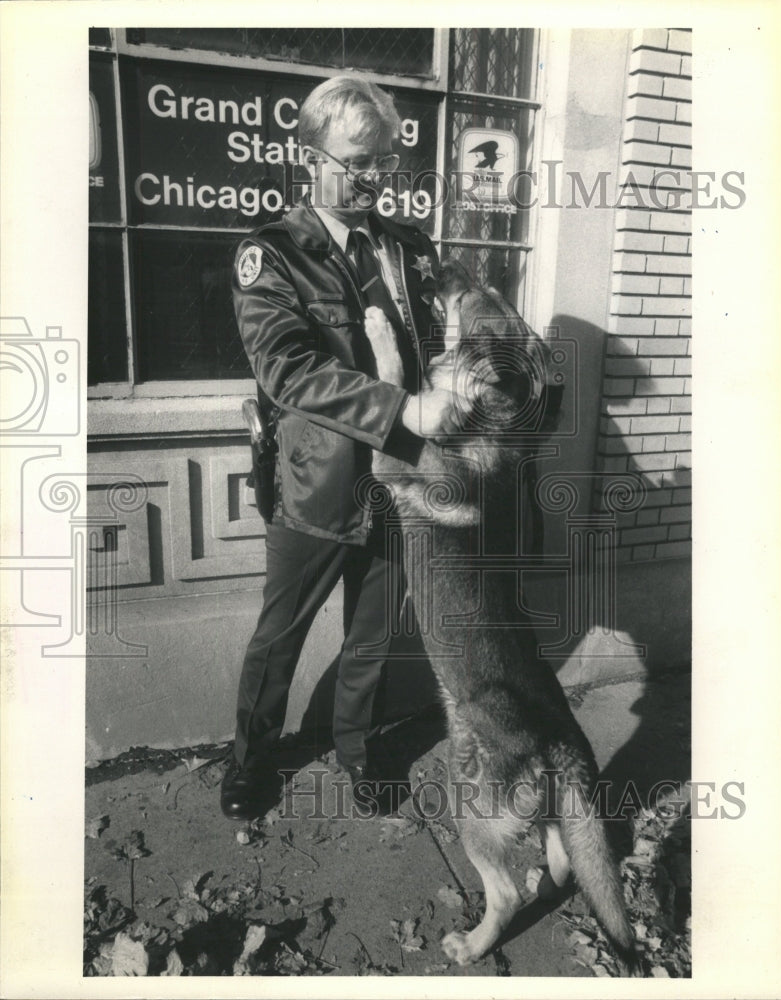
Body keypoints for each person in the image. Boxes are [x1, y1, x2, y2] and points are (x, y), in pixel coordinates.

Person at [223, 75, 461, 821]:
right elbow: (288, 369)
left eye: (386, 161)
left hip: (402, 479)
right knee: (279, 639)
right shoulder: (273, 255)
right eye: (358, 160)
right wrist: (406, 407)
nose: (373, 178)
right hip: (316, 483)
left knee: (373, 633)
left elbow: (445, 333)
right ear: (311, 155)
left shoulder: (410, 249)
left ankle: (357, 752)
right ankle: (251, 761)